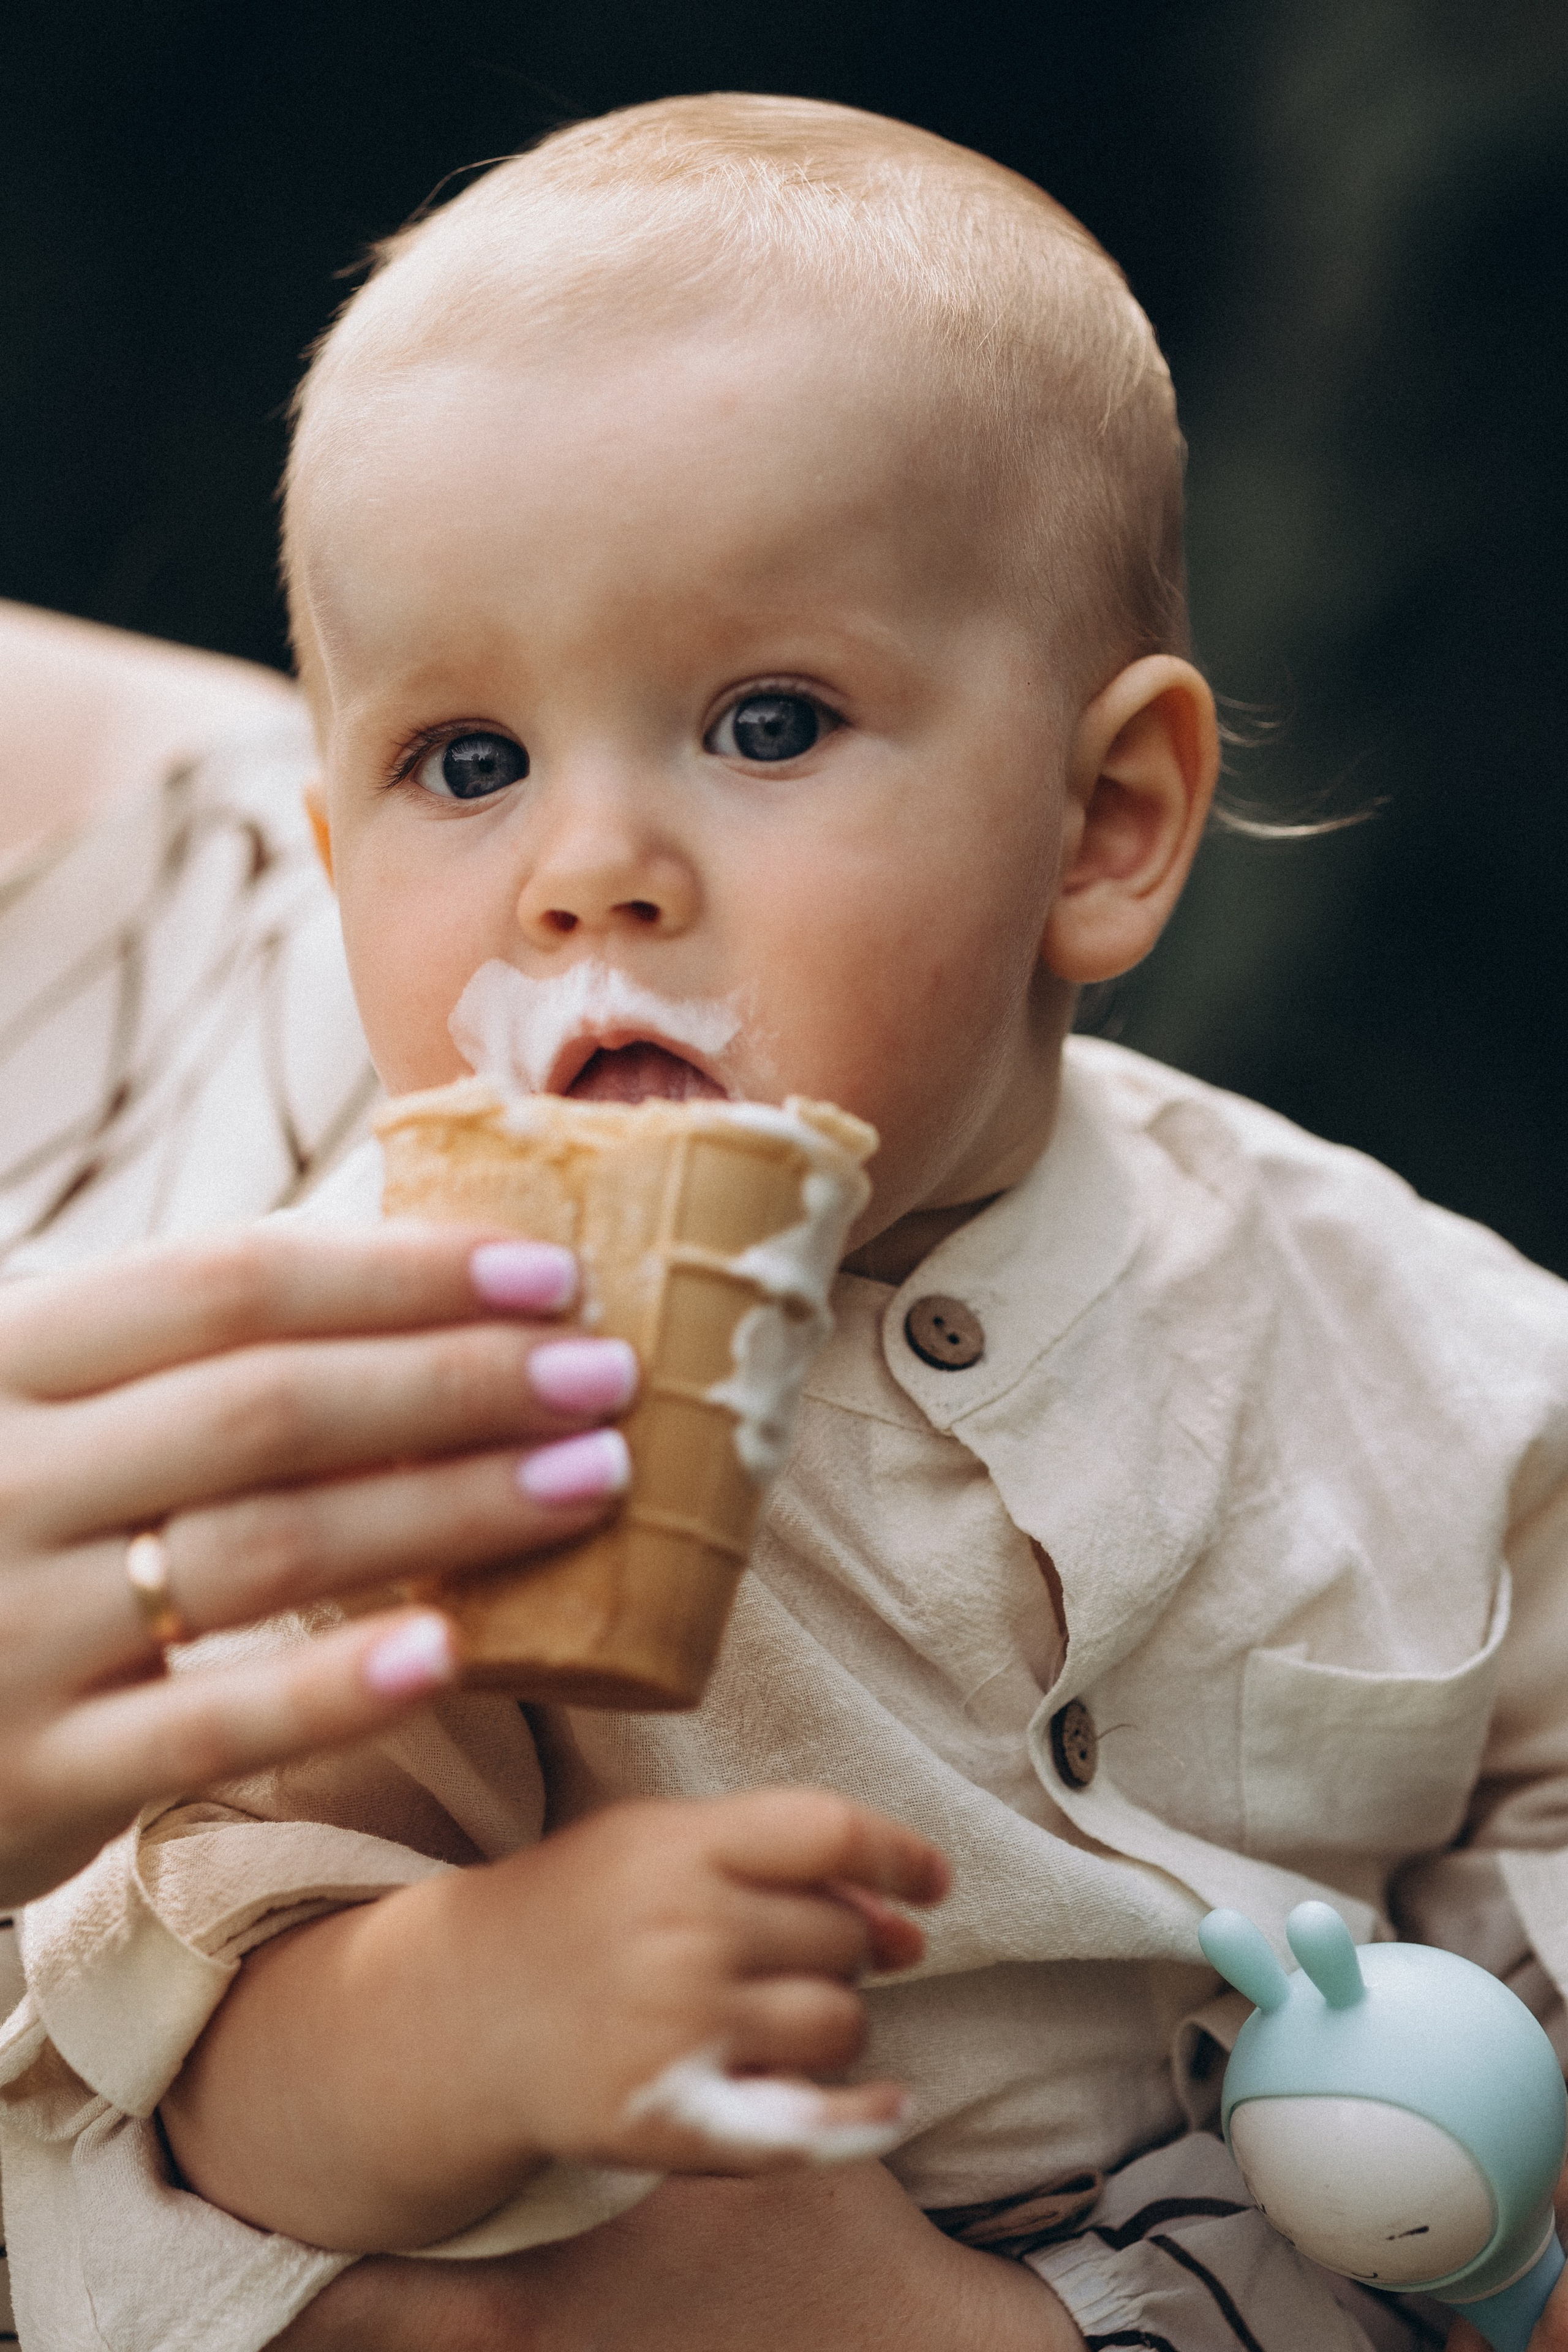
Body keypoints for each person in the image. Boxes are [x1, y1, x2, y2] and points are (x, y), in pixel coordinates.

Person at [3, 94, 1567, 2352]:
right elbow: (218, 2086)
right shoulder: (380, 1411)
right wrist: (494, 2003)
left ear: (1105, 826)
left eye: (766, 719)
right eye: (466, 762)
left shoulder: (1422, 1345)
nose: (590, 867)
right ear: (337, 878)